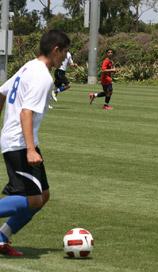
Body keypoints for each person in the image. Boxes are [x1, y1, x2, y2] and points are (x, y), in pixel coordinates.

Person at [0, 29, 70, 256]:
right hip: (20, 144)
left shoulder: (28, 66)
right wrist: (30, 149)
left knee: (43, 196)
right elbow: (26, 112)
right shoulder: (42, 76)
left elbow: (2, 93)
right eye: (65, 52)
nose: (64, 58)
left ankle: (1, 237)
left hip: (22, 141)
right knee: (32, 199)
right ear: (55, 50)